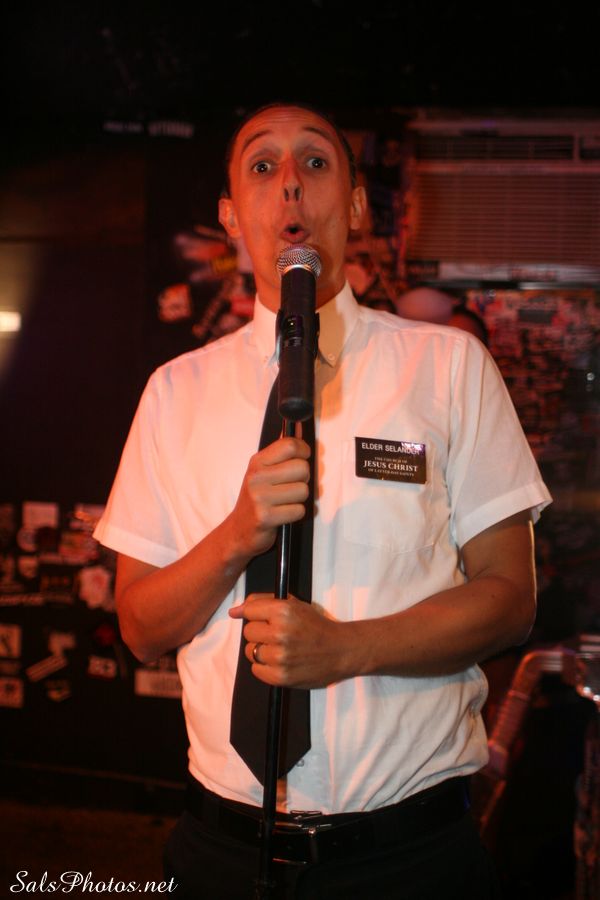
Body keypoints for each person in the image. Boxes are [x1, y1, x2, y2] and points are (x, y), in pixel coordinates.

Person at [94, 103, 552, 899]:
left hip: (410, 858)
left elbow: (511, 599)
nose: (290, 186)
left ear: (358, 205)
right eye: (262, 166)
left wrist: (348, 649)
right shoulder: (174, 393)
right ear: (231, 216)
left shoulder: (447, 368)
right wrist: (237, 534)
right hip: (221, 851)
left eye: (315, 162)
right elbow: (139, 627)